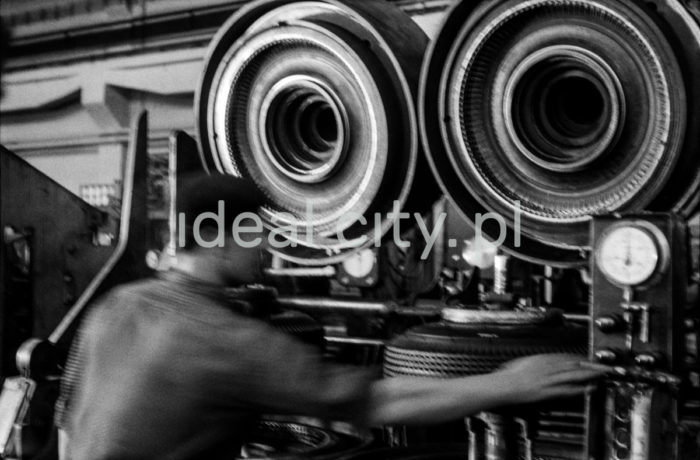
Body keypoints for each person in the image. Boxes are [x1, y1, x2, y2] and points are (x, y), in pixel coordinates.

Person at [56, 173, 604, 460]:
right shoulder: (222, 337)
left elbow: (67, 424)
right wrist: (506, 384)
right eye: (258, 235)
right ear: (220, 240)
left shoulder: (114, 306)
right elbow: (377, 401)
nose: (269, 247)